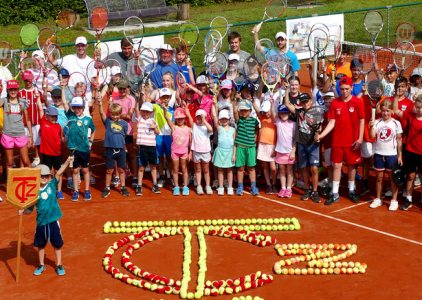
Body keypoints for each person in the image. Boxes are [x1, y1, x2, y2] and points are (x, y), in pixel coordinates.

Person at [315, 76, 365, 205]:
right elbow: (332, 122)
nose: (344, 92)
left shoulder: (358, 102)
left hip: (353, 141)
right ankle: (335, 193)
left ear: (351, 88)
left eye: (347, 89)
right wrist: (321, 135)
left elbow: (362, 120)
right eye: (342, 89)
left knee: (352, 166)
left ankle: (352, 190)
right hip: (337, 141)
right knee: (336, 165)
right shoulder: (335, 103)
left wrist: (360, 139)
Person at [18, 161, 72, 276]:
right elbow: (30, 209)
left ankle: (58, 264)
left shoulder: (52, 185)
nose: (43, 178)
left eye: (45, 176)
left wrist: (67, 162)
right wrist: (22, 211)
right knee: (40, 245)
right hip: (41, 223)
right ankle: (41, 265)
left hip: (53, 222)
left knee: (57, 245)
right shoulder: (33, 192)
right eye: (40, 176)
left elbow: (59, 173)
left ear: (49, 177)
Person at [285, 90, 322, 203]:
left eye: (307, 102)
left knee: (314, 169)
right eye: (303, 102)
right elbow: (287, 104)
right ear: (301, 103)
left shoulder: (316, 114)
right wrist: (287, 91)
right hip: (301, 144)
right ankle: (307, 189)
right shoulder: (299, 112)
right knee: (305, 168)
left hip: (313, 145)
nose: (305, 104)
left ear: (311, 102)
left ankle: (315, 192)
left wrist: (317, 133)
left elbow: (319, 129)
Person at [368, 99, 403, 211]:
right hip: (378, 154)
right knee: (379, 178)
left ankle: (394, 200)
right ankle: (378, 199)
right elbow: (372, 136)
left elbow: (399, 140)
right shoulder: (377, 122)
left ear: (392, 111)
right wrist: (371, 126)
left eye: (388, 111)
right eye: (383, 111)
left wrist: (400, 155)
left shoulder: (396, 123)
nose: (385, 113)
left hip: (392, 155)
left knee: (392, 179)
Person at [62, 96, 96, 201]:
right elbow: (64, 102)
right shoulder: (71, 116)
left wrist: (91, 141)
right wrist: (63, 89)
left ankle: (86, 190)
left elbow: (93, 129)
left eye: (79, 108)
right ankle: (76, 191)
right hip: (73, 149)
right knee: (75, 170)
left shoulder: (88, 119)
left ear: (83, 107)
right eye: (75, 108)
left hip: (84, 148)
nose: (77, 110)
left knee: (85, 170)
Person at [392, 95, 422, 210]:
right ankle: (408, 199)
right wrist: (395, 98)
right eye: (418, 107)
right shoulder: (410, 115)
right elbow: (396, 111)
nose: (420, 110)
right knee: (410, 176)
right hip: (410, 151)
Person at [97, 95, 129, 198]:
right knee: (109, 170)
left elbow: (123, 134)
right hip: (110, 149)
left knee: (121, 170)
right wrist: (100, 103)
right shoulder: (108, 122)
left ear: (120, 114)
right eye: (112, 114)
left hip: (120, 149)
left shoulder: (124, 124)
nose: (114, 116)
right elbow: (101, 113)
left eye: (116, 114)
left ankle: (123, 187)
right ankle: (107, 187)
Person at [0, 80, 33, 172]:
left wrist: (30, 135)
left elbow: (28, 119)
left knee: (26, 161)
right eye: (11, 90)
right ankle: (10, 185)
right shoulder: (4, 101)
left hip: (20, 134)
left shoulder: (23, 102)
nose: (13, 92)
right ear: (7, 90)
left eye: (15, 89)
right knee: (9, 162)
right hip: (7, 134)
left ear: (18, 90)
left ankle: (31, 181)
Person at [109, 79, 137, 187]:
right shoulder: (115, 100)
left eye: (124, 88)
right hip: (117, 131)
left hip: (128, 131)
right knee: (116, 154)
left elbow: (129, 116)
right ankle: (117, 176)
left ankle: (135, 177)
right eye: (120, 88)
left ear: (128, 89)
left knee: (131, 153)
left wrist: (117, 115)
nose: (122, 90)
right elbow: (112, 116)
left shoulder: (131, 99)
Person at [38, 105, 65, 199]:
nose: (54, 118)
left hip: (57, 153)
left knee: (58, 172)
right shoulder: (43, 122)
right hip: (46, 154)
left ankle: (59, 190)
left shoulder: (58, 126)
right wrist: (38, 98)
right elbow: (41, 109)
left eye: (55, 116)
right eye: (52, 116)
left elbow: (62, 138)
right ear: (46, 116)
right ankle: (48, 189)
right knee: (48, 173)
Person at [233, 99, 259, 196]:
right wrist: (236, 101)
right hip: (240, 147)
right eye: (242, 110)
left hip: (251, 148)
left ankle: (253, 187)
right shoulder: (239, 120)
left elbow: (257, 130)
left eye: (246, 110)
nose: (243, 112)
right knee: (240, 168)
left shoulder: (254, 121)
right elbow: (235, 111)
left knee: (251, 168)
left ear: (250, 110)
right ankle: (240, 187)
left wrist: (255, 137)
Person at [164, 106, 191, 196]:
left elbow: (191, 143)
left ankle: (185, 187)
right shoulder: (174, 127)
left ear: (184, 119)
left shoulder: (188, 129)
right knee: (175, 169)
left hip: (184, 152)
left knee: (184, 169)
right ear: (175, 119)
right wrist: (165, 110)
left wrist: (190, 152)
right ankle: (176, 187)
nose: (180, 120)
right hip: (175, 152)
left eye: (181, 118)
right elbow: (167, 118)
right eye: (178, 119)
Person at [57, 37, 94, 102]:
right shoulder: (68, 58)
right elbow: (53, 62)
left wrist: (93, 99)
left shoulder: (91, 62)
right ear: (75, 46)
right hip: (71, 95)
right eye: (78, 46)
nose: (80, 48)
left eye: (82, 45)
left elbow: (93, 82)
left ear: (87, 46)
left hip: (86, 96)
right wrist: (49, 48)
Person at [252, 100, 277, 195]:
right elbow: (257, 110)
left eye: (268, 111)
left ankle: (274, 184)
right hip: (263, 145)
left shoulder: (275, 120)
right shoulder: (262, 118)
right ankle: (269, 185)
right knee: (265, 166)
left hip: (272, 146)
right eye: (265, 112)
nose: (267, 113)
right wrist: (253, 101)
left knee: (273, 168)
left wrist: (275, 148)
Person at [135, 102, 160, 196]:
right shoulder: (140, 119)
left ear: (151, 112)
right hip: (143, 148)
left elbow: (157, 132)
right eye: (143, 112)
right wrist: (137, 98)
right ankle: (139, 185)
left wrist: (154, 128)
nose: (145, 114)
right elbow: (136, 110)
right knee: (141, 167)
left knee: (153, 166)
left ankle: (155, 185)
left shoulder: (153, 121)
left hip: (152, 147)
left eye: (147, 112)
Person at [19, 70, 43, 167]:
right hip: (24, 122)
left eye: (29, 81)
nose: (28, 83)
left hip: (36, 121)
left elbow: (42, 105)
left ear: (33, 80)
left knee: (38, 143)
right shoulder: (20, 93)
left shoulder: (37, 92)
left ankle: (38, 159)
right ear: (23, 81)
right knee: (24, 144)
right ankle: (23, 163)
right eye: (26, 81)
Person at [211, 105, 236, 196]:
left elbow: (234, 144)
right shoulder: (219, 128)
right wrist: (213, 104)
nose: (224, 120)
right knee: (220, 170)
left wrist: (234, 155)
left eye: (226, 118)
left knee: (229, 170)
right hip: (220, 152)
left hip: (229, 152)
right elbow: (214, 116)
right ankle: (221, 187)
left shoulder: (233, 130)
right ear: (220, 120)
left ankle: (230, 187)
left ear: (229, 119)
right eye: (222, 119)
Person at [187, 108, 213, 195]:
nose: (200, 120)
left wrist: (204, 120)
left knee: (206, 170)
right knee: (198, 170)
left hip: (205, 152)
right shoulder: (194, 126)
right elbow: (189, 116)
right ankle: (199, 186)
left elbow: (211, 129)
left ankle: (207, 186)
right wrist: (185, 107)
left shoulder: (207, 127)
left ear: (205, 118)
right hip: (196, 152)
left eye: (201, 118)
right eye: (198, 118)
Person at [274, 104, 296, 198]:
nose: (283, 115)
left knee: (290, 171)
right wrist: (273, 103)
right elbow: (272, 113)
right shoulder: (278, 122)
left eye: (285, 113)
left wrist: (293, 151)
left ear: (289, 114)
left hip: (290, 152)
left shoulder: (293, 124)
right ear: (279, 114)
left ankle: (289, 188)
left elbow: (295, 139)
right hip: (280, 151)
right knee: (282, 170)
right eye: (282, 113)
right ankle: (283, 188)